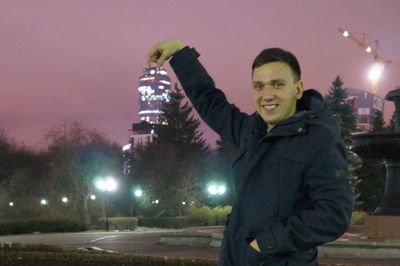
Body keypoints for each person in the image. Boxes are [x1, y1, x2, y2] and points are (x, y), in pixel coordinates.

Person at [147, 39, 353, 266]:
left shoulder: (318, 139)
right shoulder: (250, 132)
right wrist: (180, 54)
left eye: (277, 84)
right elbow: (210, 101)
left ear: (297, 89)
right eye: (259, 86)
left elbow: (334, 214)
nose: (267, 95)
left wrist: (266, 243)